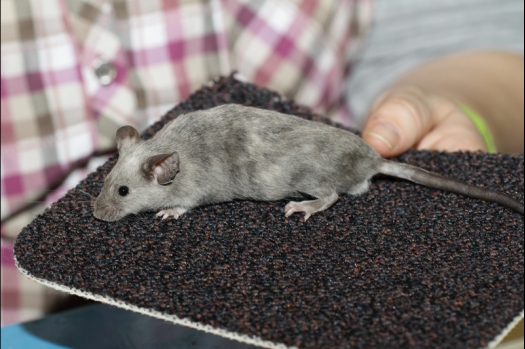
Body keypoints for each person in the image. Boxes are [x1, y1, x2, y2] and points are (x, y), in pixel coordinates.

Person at [1, 0, 523, 326]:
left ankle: (329, 194)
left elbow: (472, 26)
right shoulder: (161, 157)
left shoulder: (173, 167)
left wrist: (460, 101)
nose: (112, 201)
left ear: (162, 170)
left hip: (327, 159)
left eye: (122, 193)